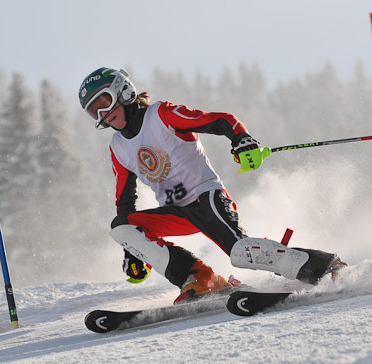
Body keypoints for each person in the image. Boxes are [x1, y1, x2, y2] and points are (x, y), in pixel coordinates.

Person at [79, 67, 345, 304]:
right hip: (176, 212)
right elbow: (124, 200)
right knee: (122, 227)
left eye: (104, 101)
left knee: (240, 252)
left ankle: (325, 265)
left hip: (207, 197)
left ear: (123, 91)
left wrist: (241, 139)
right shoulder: (118, 147)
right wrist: (133, 249)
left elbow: (221, 119)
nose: (103, 113)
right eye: (94, 110)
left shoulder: (161, 115)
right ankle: (200, 277)